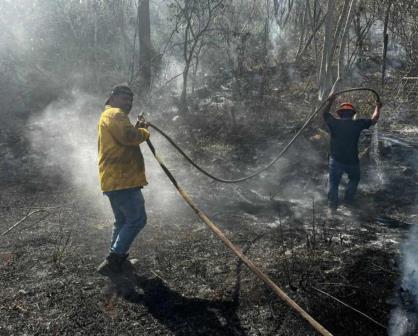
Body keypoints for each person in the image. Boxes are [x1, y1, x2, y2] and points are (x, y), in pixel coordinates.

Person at [97, 84, 150, 275]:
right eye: (124, 98)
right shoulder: (115, 114)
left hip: (114, 180)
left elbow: (126, 135)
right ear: (112, 98)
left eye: (130, 100)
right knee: (137, 219)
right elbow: (129, 136)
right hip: (122, 179)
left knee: (122, 221)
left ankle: (116, 260)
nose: (128, 103)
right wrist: (143, 131)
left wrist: (137, 129)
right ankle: (114, 260)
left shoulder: (112, 116)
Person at [322, 96, 382, 211]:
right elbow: (374, 119)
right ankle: (348, 203)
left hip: (336, 159)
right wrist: (378, 107)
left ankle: (332, 207)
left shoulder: (334, 123)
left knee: (334, 182)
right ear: (352, 114)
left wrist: (330, 101)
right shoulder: (357, 124)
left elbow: (325, 113)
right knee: (354, 179)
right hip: (352, 160)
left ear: (339, 114)